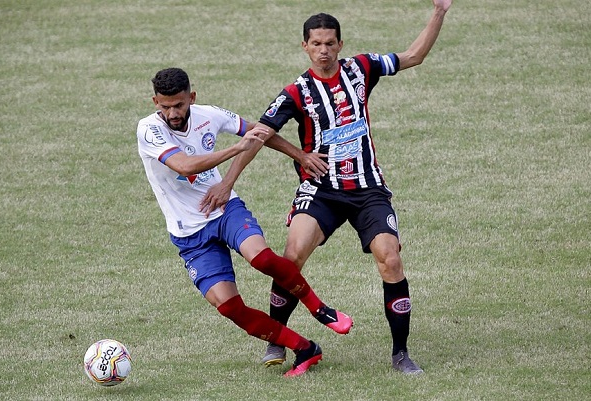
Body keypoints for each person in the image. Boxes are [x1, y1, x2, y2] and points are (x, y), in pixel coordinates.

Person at [201, 0, 453, 375]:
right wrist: (228, 181)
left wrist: (439, 11)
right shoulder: (295, 92)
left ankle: (400, 353)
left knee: (391, 258)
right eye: (316, 44)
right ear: (305, 46)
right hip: (321, 190)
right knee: (292, 255)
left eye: (330, 43)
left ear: (340, 44)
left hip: (368, 189)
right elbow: (258, 135)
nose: (323, 50)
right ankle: (278, 337)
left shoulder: (363, 67)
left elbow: (414, 55)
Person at [136, 67, 353, 377]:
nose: (172, 112)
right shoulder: (148, 129)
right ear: (155, 101)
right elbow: (183, 166)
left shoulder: (209, 115)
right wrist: (236, 147)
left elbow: (261, 132)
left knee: (262, 257)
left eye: (179, 105)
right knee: (228, 307)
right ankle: (305, 348)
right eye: (165, 105)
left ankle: (320, 310)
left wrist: (301, 155)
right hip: (189, 234)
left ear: (191, 98)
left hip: (225, 210)